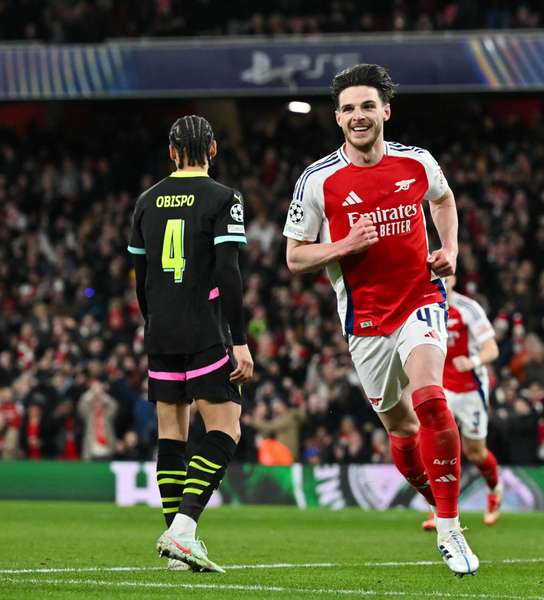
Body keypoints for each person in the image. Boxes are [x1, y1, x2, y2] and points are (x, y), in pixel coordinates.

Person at [283, 64, 478, 576]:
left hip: (421, 300)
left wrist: (450, 248)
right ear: (337, 118)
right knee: (400, 426)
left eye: (367, 106)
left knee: (431, 400)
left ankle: (451, 527)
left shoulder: (417, 163)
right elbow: (295, 257)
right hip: (365, 322)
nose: (358, 116)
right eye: (348, 108)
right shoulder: (318, 180)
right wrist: (343, 246)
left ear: (385, 111)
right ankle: (435, 501)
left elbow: (445, 200)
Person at [128, 115, 254, 573]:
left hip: (160, 330)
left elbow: (140, 279)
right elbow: (228, 272)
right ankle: (182, 530)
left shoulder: (146, 201)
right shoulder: (224, 199)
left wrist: (154, 322)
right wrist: (239, 340)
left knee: (172, 435)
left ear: (171, 152)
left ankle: (175, 549)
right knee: (225, 430)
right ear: (214, 150)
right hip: (205, 329)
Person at [422, 275, 501, 530]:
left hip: (470, 389)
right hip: (441, 386)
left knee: (474, 452)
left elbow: (492, 349)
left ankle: (495, 491)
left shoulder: (469, 309)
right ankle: (438, 510)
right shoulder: (425, 306)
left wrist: (473, 362)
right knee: (436, 444)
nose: (443, 279)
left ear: (454, 278)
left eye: (447, 275)